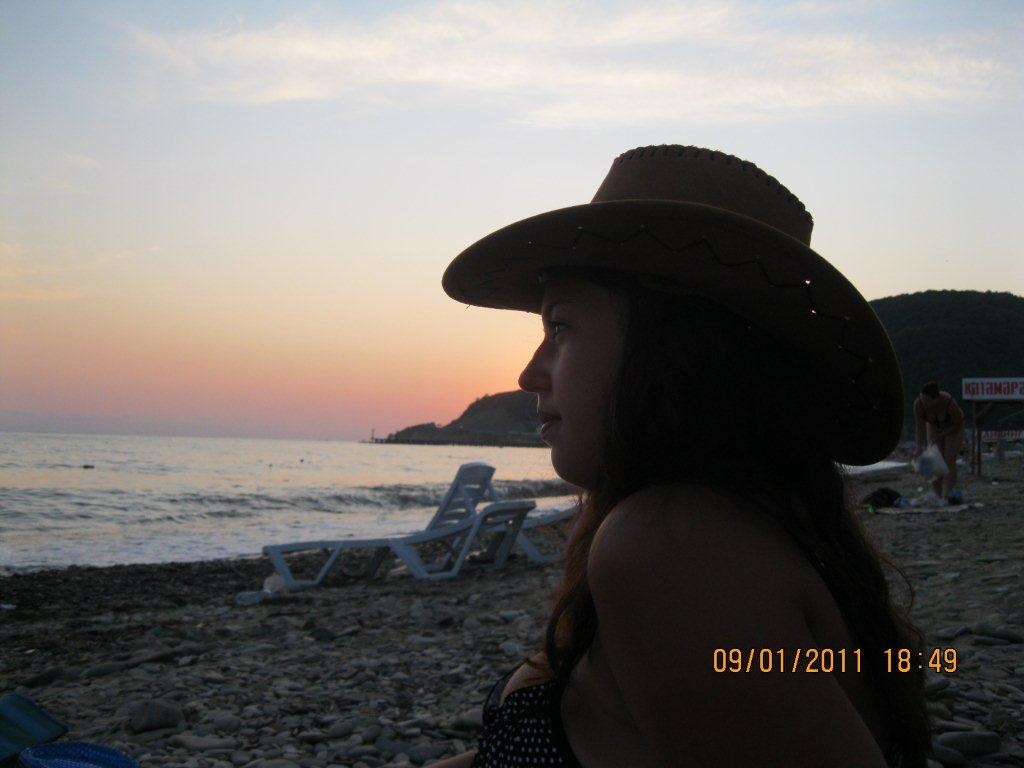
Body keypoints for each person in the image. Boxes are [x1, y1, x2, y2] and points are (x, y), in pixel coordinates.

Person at [434, 146, 930, 767]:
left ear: (672, 350)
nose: (529, 373)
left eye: (559, 327)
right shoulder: (744, 527)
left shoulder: (667, 548)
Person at [913, 381, 965, 503]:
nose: (924, 403)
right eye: (922, 399)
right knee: (933, 457)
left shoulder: (949, 403)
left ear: (936, 398)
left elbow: (958, 423)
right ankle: (937, 494)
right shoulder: (919, 405)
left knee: (949, 458)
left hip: (953, 427)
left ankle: (948, 493)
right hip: (933, 426)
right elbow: (920, 427)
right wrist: (919, 447)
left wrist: (943, 435)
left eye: (927, 400)